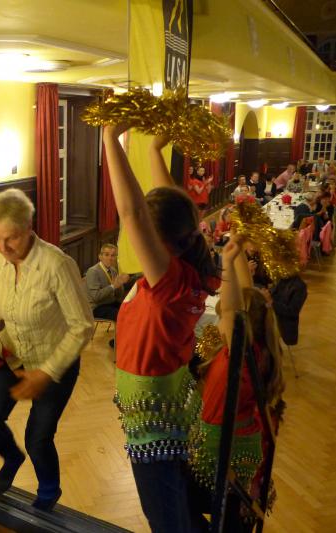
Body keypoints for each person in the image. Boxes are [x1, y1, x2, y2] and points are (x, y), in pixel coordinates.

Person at [103, 125, 219, 532]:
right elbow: (174, 208)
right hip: (165, 407)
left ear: (157, 239)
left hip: (153, 427)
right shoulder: (188, 265)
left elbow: (133, 213)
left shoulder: (170, 285)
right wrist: (154, 150)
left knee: (165, 520)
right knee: (176, 505)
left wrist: (110, 138)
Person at [0, 188, 93, 511]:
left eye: (9, 238)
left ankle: (49, 493)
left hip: (55, 363)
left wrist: (45, 373)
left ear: (28, 228)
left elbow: (83, 326)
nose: (2, 247)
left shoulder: (57, 265)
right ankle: (12, 458)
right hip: (12, 355)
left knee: (37, 439)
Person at [188, 235, 285, 531]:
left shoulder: (240, 354)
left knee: (184, 504)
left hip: (221, 447)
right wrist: (237, 248)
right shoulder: (259, 348)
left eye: (222, 319)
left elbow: (232, 311)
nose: (219, 323)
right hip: (241, 442)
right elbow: (244, 296)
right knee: (229, 514)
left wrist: (227, 262)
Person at [85, 243, 130, 322]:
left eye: (113, 255)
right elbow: (96, 297)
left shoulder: (113, 270)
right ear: (100, 256)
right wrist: (113, 286)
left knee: (130, 310)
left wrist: (120, 284)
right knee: (122, 316)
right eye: (106, 255)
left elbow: (118, 296)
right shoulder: (93, 271)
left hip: (110, 303)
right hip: (97, 307)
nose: (110, 258)